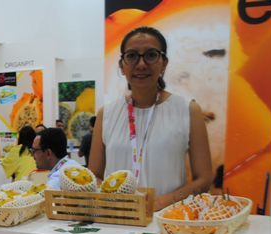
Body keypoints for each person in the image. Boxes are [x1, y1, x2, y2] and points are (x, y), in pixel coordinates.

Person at [89, 26, 212, 211]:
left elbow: (204, 179)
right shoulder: (106, 114)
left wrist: (163, 202)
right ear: (122, 65)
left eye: (151, 55)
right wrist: (117, 201)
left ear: (164, 63)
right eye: (132, 56)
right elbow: (94, 175)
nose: (141, 64)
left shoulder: (188, 110)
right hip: (116, 219)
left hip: (169, 218)